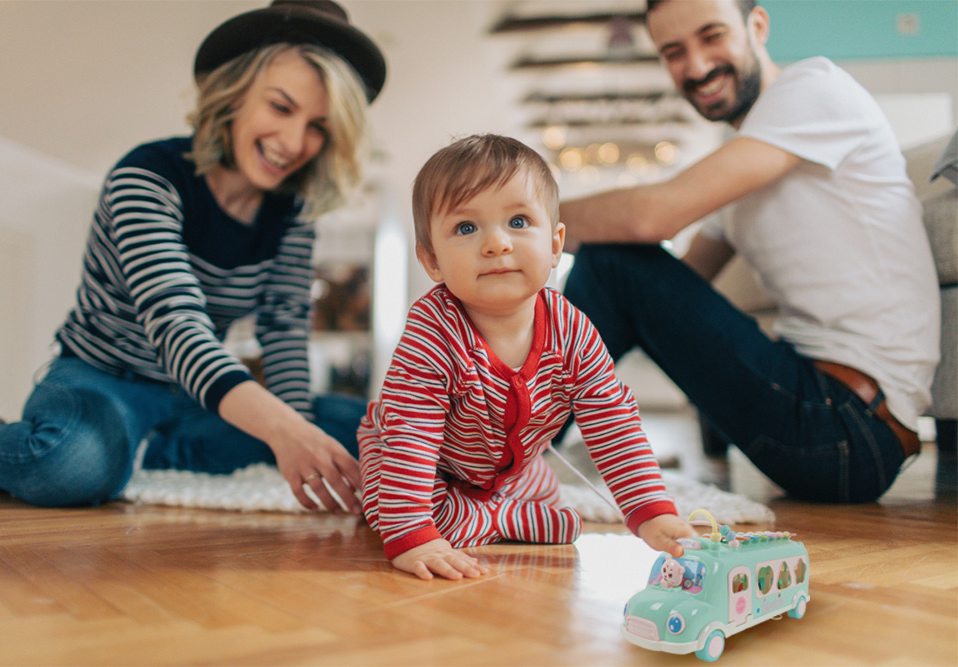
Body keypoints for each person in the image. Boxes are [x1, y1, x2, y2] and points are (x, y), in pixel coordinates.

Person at [0, 0, 387, 514]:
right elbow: (176, 323)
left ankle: (148, 450)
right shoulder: (146, 177)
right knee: (70, 466)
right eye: (280, 107)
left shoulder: (294, 213)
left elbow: (284, 328)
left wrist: (295, 436)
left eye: (319, 125)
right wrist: (284, 429)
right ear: (233, 95)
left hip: (198, 399)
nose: (295, 142)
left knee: (372, 431)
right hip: (103, 379)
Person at [559, 0, 940, 503]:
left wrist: (521, 216)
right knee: (615, 268)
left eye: (712, 36)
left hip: (848, 425)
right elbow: (672, 288)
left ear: (756, 26)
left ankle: (505, 455)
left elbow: (651, 219)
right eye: (673, 52)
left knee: (609, 263)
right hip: (824, 417)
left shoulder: (814, 88)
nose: (696, 67)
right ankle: (503, 438)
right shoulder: (748, 156)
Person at [358, 134, 696, 581]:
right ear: (432, 260)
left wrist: (651, 511)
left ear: (556, 244)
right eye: (466, 228)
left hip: (511, 474)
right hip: (418, 465)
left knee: (547, 495)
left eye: (518, 221)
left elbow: (612, 421)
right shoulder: (432, 331)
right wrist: (412, 533)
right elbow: (411, 436)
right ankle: (503, 518)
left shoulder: (572, 329)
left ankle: (498, 511)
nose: (497, 243)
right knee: (387, 508)